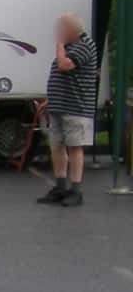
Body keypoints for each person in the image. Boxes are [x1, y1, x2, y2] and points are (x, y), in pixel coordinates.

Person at [37, 12, 99, 207]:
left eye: (62, 29)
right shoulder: (70, 46)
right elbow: (61, 75)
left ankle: (76, 190)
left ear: (72, 30)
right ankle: (60, 187)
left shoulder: (84, 46)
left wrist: (59, 45)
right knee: (57, 147)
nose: (59, 33)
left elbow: (64, 66)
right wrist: (51, 99)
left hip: (76, 107)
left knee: (74, 148)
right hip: (59, 105)